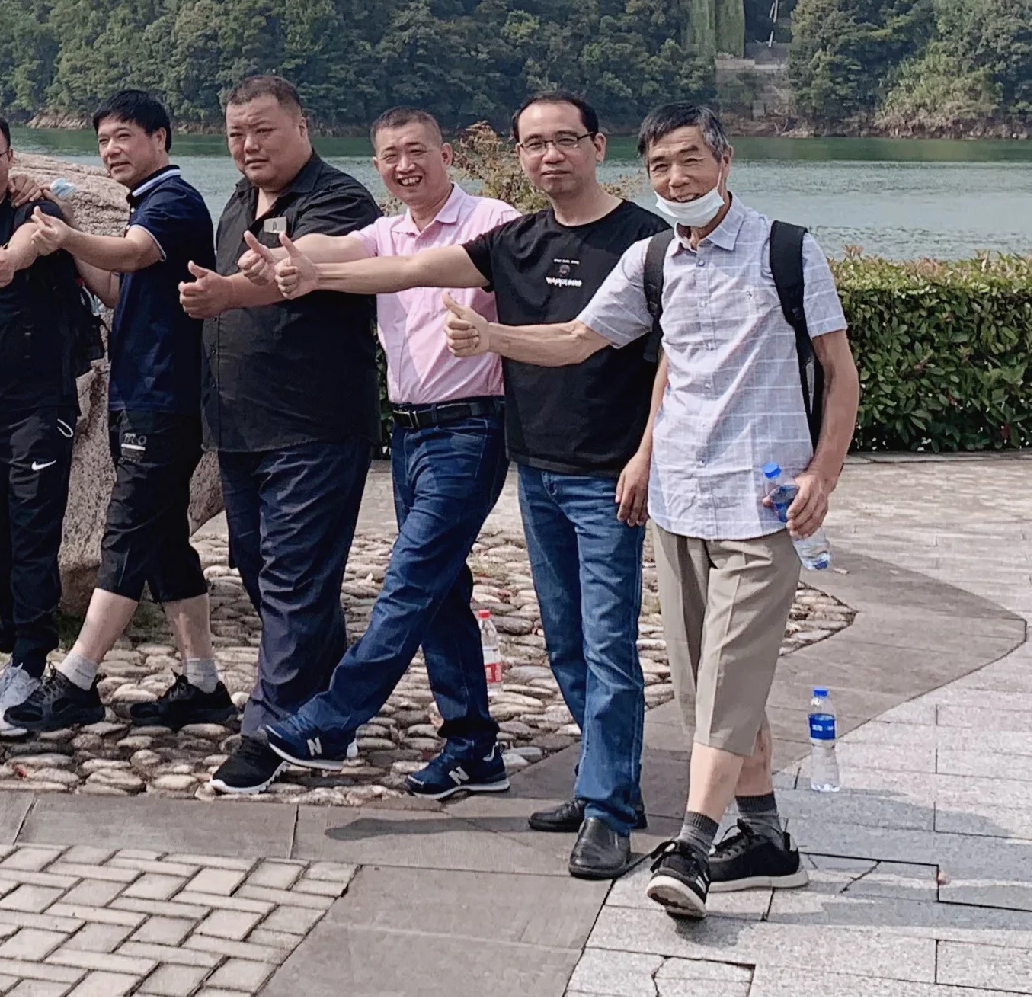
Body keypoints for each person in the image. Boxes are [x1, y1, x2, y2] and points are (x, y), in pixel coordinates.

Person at [443, 101, 860, 922]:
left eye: (689, 160)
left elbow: (839, 372)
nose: (675, 178)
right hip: (679, 503)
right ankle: (766, 839)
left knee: (726, 682)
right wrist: (494, 340)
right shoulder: (654, 260)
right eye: (661, 166)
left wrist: (824, 474)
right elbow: (579, 339)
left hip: (762, 506)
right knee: (707, 685)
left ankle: (693, 847)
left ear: (724, 162)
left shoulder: (787, 250)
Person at [275, 91, 664, 876]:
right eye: (534, 144)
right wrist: (312, 271)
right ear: (519, 155)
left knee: (608, 641)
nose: (550, 156)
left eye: (564, 140)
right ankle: (603, 784)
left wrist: (646, 457)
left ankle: (610, 812)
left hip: (605, 472)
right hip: (539, 466)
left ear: (598, 145)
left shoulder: (645, 242)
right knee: (567, 642)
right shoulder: (517, 240)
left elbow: (675, 359)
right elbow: (409, 267)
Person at [207, 108, 520, 798]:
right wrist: (292, 256)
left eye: (417, 151)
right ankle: (473, 746)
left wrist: (310, 272)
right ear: (377, 166)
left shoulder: (492, 220)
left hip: (471, 430)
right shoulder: (383, 231)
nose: (405, 166)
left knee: (407, 583)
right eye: (389, 156)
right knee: (442, 593)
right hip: (406, 432)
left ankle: (332, 720)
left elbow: (412, 275)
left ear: (446, 155)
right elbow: (336, 248)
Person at [168, 71, 382, 766]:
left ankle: (267, 732)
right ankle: (327, 711)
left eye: (263, 130)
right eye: (237, 133)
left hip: (313, 424)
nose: (249, 145)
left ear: (302, 126)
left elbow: (300, 265)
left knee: (293, 576)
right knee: (264, 570)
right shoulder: (236, 201)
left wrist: (230, 292)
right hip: (240, 426)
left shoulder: (337, 199)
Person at [12, 89, 225, 736]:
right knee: (163, 542)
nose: (110, 150)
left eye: (124, 136)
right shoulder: (145, 207)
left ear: (161, 138)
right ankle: (202, 683)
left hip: (164, 399)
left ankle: (76, 680)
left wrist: (66, 233)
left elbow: (131, 254)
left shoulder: (174, 202)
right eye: (103, 140)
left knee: (127, 534)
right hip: (138, 394)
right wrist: (67, 229)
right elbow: (115, 287)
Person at [0, 110, 104, 736]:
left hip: (41, 402)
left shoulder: (38, 212)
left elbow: (35, 239)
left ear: (10, 159)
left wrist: (8, 260)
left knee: (33, 531)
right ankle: (15, 651)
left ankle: (33, 663)